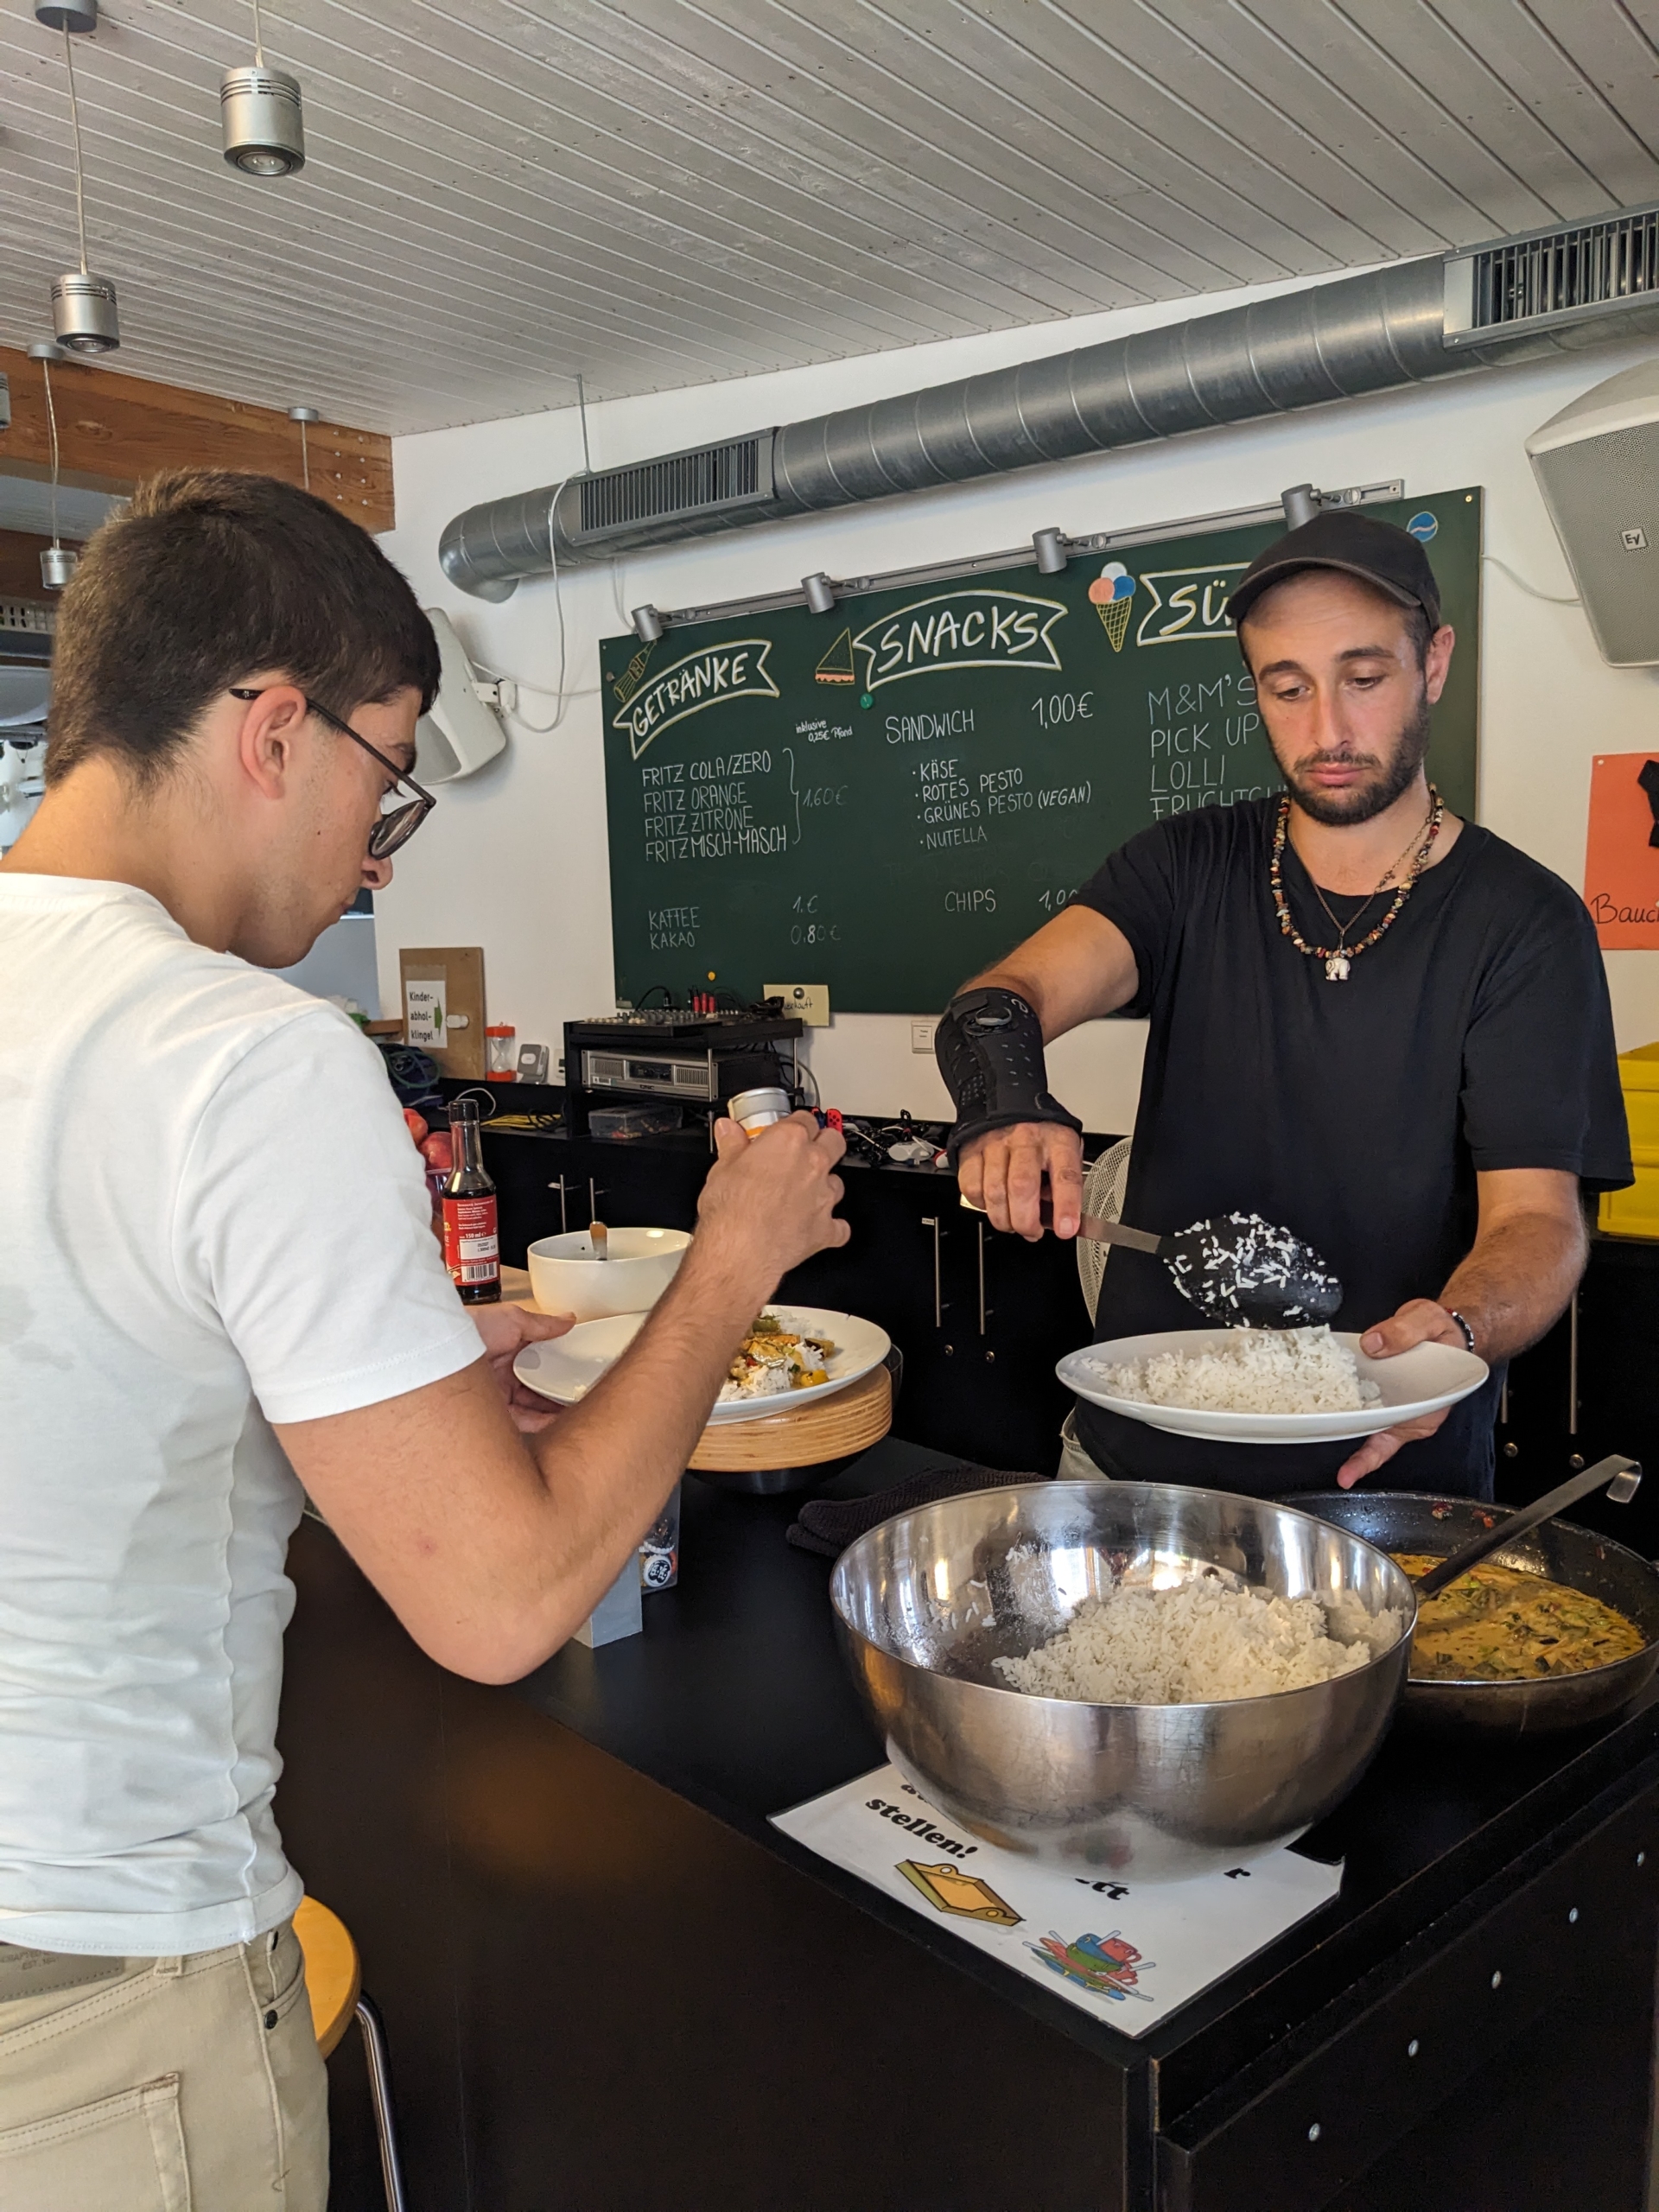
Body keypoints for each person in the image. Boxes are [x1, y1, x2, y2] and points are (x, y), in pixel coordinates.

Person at [0, 473, 848, 2208]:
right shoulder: (245, 1050)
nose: (375, 852)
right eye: (387, 778)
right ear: (275, 728)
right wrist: (732, 1261)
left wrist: (366, 1356)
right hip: (100, 1999)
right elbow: (499, 1599)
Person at [935, 507, 1629, 1500]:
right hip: (1137, 1468)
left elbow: (1539, 1222)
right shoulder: (1184, 867)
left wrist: (1459, 1326)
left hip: (1385, 1478)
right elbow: (1002, 999)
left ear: (1433, 664)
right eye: (1288, 688)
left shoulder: (1523, 923)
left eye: (1363, 678)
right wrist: (1007, 1103)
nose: (1328, 731)